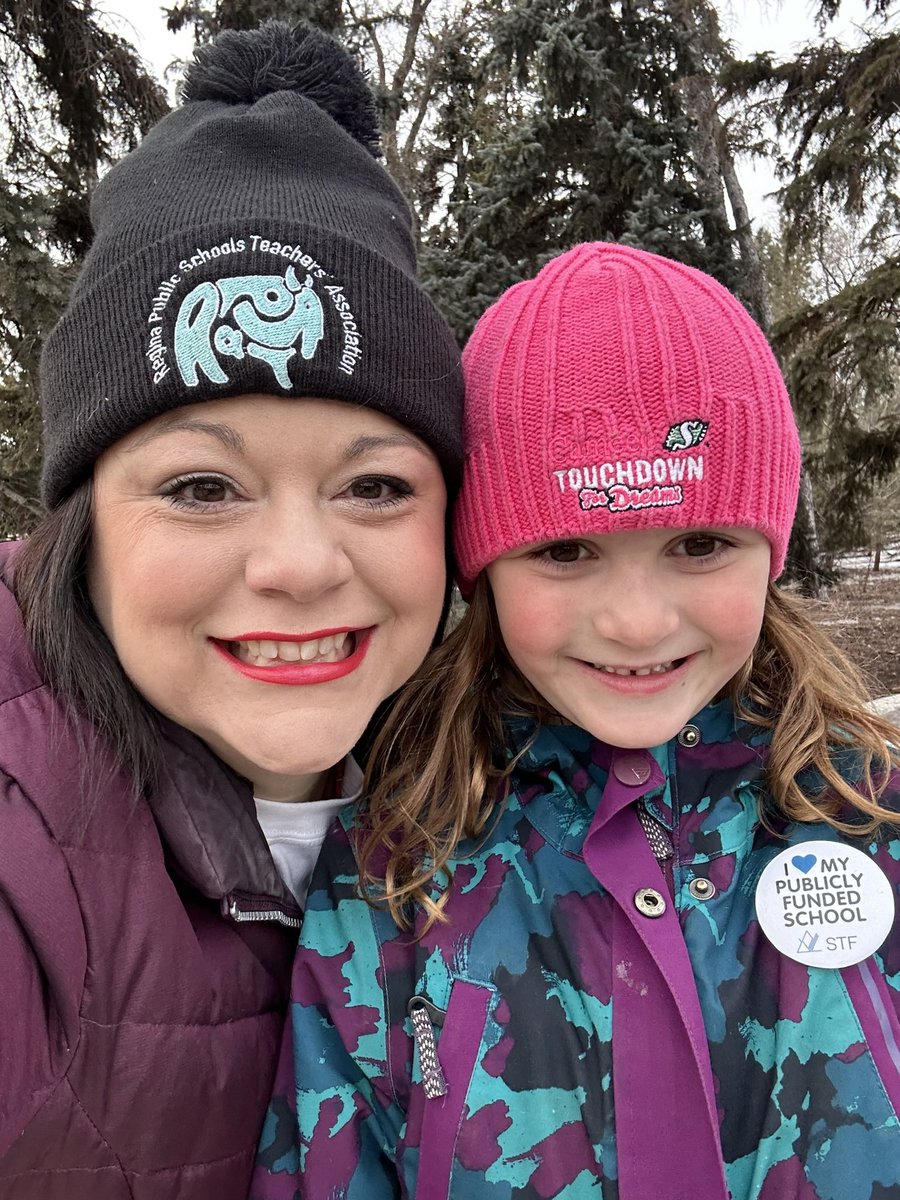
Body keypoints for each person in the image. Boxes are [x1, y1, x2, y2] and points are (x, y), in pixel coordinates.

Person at [253, 242, 900, 1200]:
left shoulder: (872, 818)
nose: (637, 622)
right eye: (566, 549)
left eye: (700, 543)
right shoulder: (392, 874)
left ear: (767, 549)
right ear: (483, 569)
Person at [0, 20, 463, 1200]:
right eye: (203, 487)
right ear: (83, 522)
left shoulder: (500, 787)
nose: (301, 565)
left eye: (374, 486)